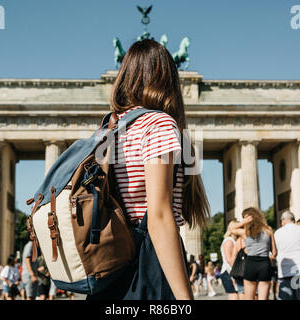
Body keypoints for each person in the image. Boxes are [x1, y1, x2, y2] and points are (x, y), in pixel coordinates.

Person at [86, 39, 210, 300]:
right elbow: (159, 216)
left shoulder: (109, 129)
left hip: (110, 267)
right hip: (148, 263)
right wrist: (185, 300)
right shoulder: (158, 123)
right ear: (167, 78)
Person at [230, 207, 277, 300]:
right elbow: (275, 252)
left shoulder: (245, 233)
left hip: (250, 263)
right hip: (264, 263)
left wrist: (243, 222)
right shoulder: (268, 231)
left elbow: (232, 230)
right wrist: (268, 259)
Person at [219, 220, 240, 300]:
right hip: (229, 272)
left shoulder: (232, 240)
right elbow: (229, 260)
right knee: (234, 295)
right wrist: (236, 274)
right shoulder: (229, 241)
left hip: (230, 272)